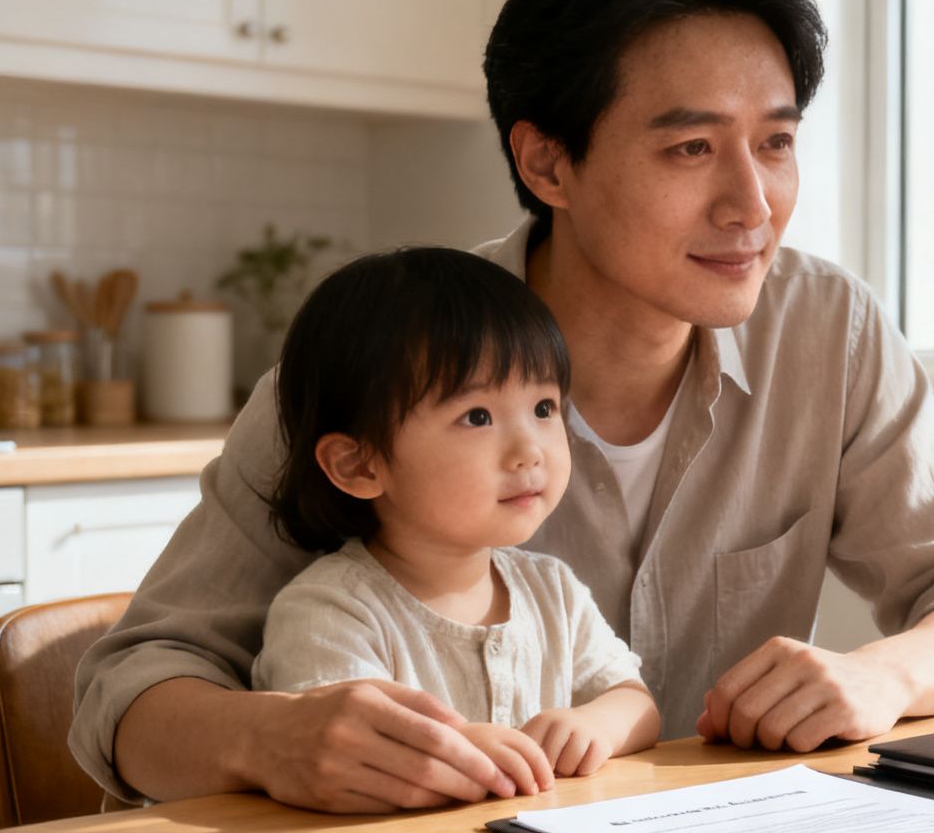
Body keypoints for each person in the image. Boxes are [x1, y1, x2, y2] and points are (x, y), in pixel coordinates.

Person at [71, 0, 934, 814]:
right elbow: (132, 687)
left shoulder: (825, 328)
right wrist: (267, 740)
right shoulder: (381, 352)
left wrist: (888, 677)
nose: (751, 204)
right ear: (546, 162)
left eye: (773, 143)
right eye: (690, 150)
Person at [248, 247, 658, 802]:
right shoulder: (330, 612)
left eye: (543, 407)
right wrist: (460, 749)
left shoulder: (551, 591)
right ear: (360, 465)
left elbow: (634, 701)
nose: (529, 450)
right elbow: (341, 754)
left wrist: (597, 727)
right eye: (478, 417)